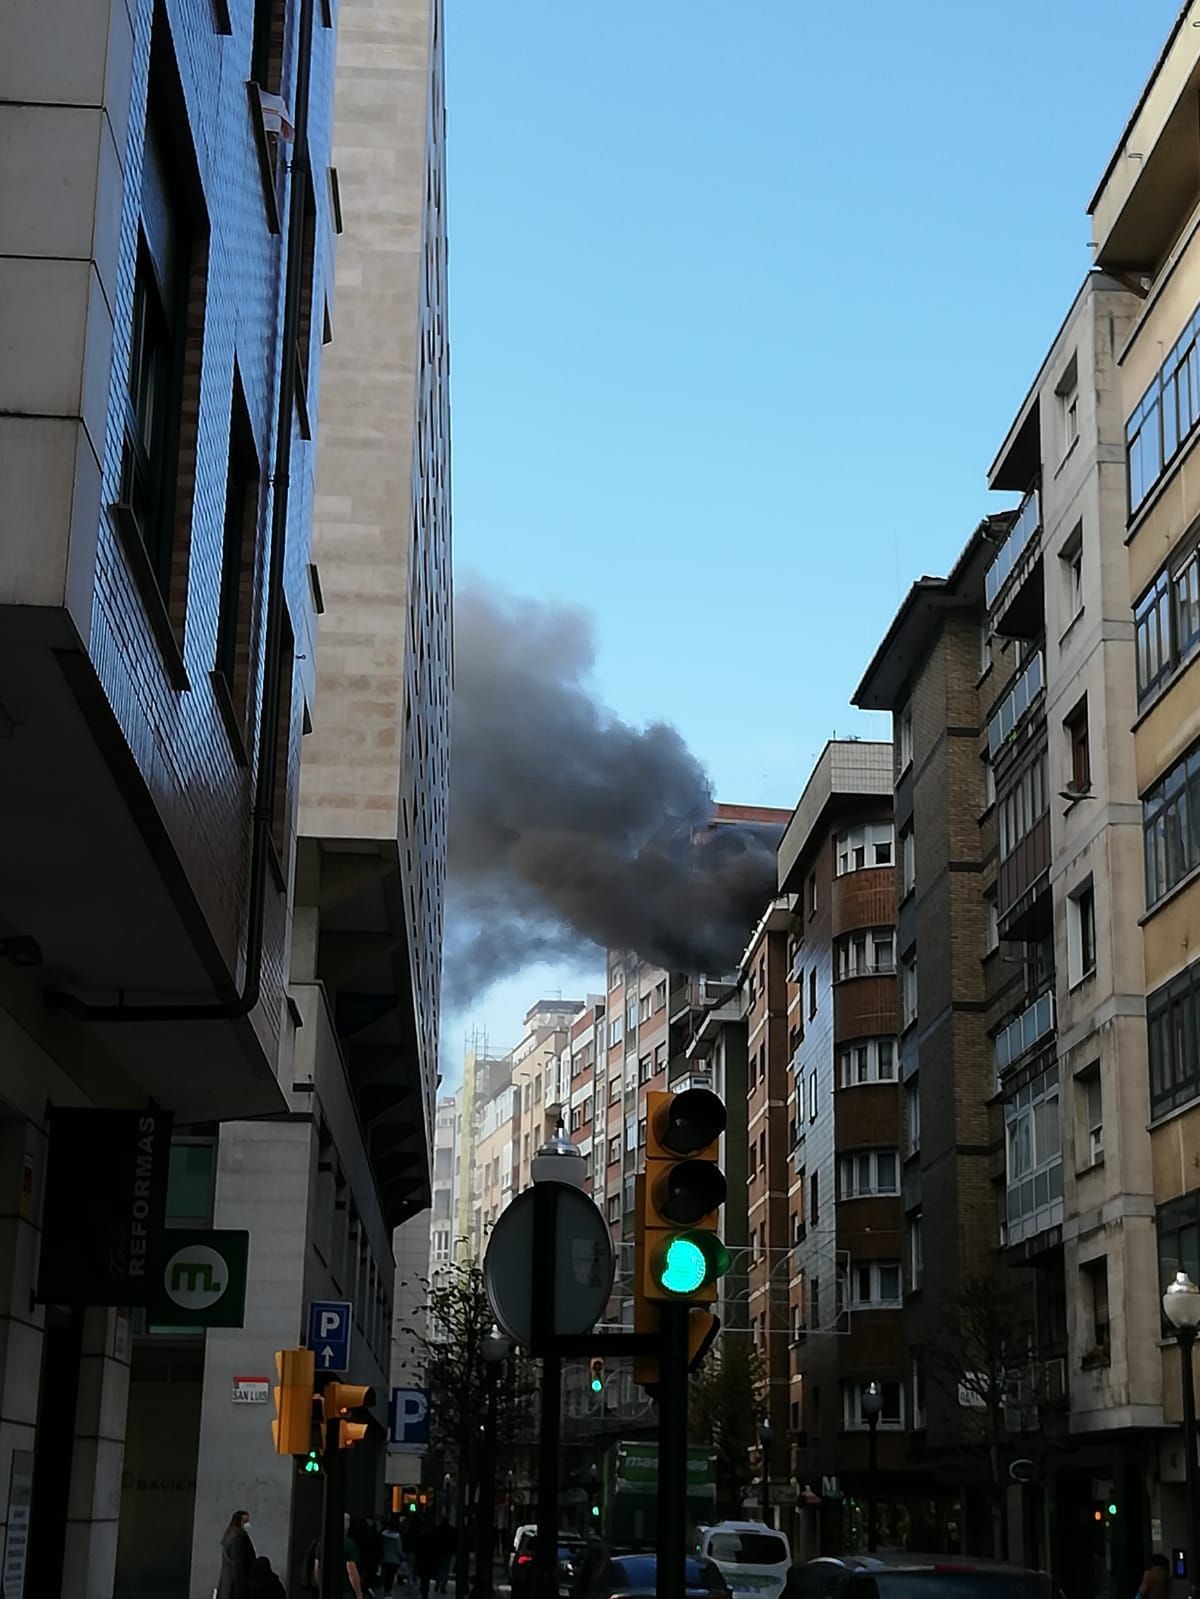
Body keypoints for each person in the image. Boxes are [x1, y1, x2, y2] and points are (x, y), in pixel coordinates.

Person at [217, 1510, 256, 1599]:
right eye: (245, 1521)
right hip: (235, 1587)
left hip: (228, 1586)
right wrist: (241, 1590)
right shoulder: (238, 1539)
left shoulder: (230, 1536)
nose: (247, 1524)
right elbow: (238, 1566)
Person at [380, 1514, 405, 1593]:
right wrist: (404, 1557)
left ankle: (385, 1590)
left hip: (384, 1559)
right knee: (390, 1576)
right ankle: (388, 1591)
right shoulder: (397, 1536)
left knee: (386, 1576)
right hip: (394, 1560)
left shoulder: (383, 1534)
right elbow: (398, 1550)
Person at [433, 1518, 455, 1594]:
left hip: (439, 1551)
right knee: (445, 1570)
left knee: (439, 1569)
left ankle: (437, 1583)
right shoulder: (451, 1530)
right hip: (447, 1552)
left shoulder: (438, 1529)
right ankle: (443, 1586)